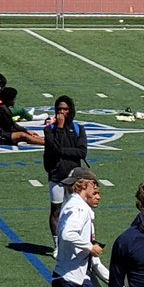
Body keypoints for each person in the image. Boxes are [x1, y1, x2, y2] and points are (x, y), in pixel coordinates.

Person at [43, 96, 87, 244]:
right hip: (56, 175)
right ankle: (57, 243)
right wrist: (60, 128)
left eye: (65, 109)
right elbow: (54, 148)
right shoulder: (50, 129)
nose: (62, 112)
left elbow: (82, 152)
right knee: (56, 209)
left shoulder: (78, 128)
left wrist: (62, 150)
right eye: (59, 109)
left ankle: (72, 239)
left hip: (74, 176)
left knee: (74, 209)